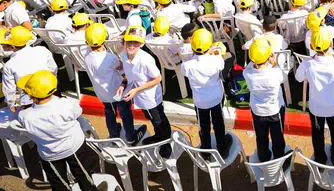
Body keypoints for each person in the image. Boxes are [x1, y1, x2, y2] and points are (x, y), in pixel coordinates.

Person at [16, 70, 98, 191]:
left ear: (30, 95)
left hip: (49, 154)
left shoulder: (24, 115)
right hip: (74, 147)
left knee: (59, 185)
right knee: (85, 177)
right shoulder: (66, 104)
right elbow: (77, 112)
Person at [84, 23, 144, 144]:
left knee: (109, 113)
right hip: (118, 92)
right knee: (125, 114)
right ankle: (131, 138)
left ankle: (113, 135)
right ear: (104, 38)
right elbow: (122, 69)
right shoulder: (110, 57)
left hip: (103, 94)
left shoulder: (87, 57)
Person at [295, 27, 334, 166]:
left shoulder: (308, 64)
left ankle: (320, 159)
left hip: (316, 108)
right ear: (331, 44)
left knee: (317, 134)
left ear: (312, 47)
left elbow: (298, 78)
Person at [119, 25, 173, 156]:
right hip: (140, 96)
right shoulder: (123, 55)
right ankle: (159, 137)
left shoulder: (146, 60)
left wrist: (137, 90)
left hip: (150, 97)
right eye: (129, 41)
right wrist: (123, 83)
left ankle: (165, 144)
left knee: (158, 120)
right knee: (151, 118)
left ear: (142, 44)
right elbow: (128, 73)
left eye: (136, 42)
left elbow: (158, 78)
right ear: (123, 41)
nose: (131, 45)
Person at [183, 28, 232, 157]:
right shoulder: (216, 60)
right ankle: (222, 147)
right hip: (216, 98)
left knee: (203, 126)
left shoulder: (187, 65)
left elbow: (186, 71)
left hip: (200, 102)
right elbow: (221, 64)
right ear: (209, 45)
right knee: (218, 123)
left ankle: (205, 151)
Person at [244, 38, 287, 163]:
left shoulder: (247, 73)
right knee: (277, 138)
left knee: (261, 137)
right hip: (275, 112)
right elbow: (284, 77)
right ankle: (278, 160)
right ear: (268, 56)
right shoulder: (275, 73)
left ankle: (263, 158)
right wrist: (274, 63)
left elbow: (251, 65)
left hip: (257, 112)